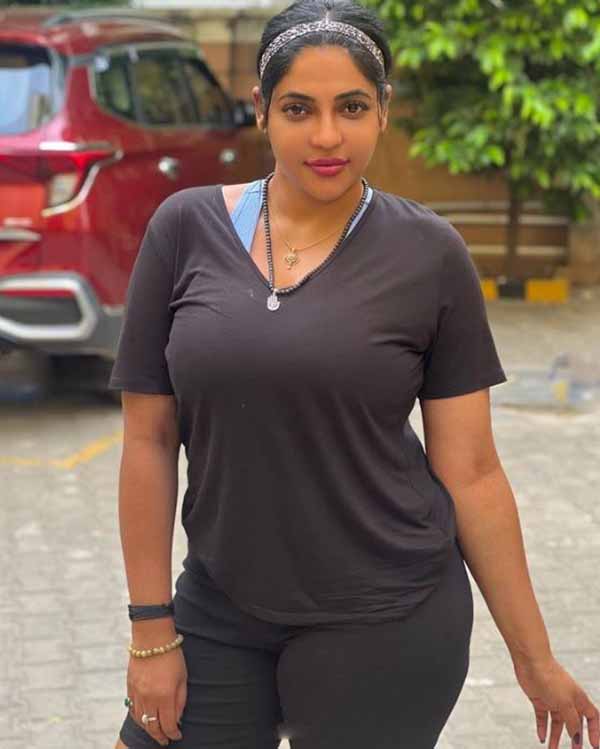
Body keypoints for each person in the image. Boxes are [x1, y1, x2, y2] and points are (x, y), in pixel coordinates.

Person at [109, 0, 600, 747]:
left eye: (352, 107)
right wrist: (151, 629)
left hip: (386, 615)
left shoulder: (430, 254)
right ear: (261, 110)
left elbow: (471, 470)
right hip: (221, 604)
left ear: (383, 110)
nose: (327, 136)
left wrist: (535, 660)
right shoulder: (183, 229)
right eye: (298, 109)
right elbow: (148, 439)